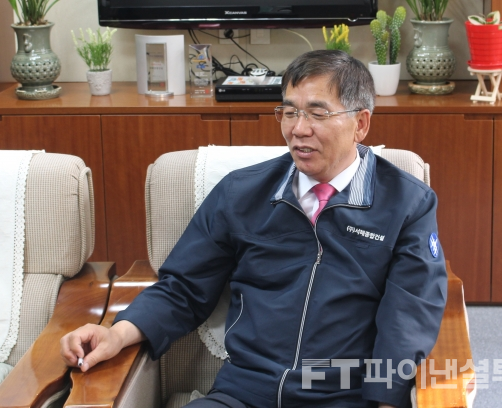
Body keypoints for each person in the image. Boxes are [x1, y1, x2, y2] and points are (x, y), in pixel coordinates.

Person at [60, 50, 447, 408]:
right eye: (289, 112)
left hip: (342, 396)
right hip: (243, 393)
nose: (298, 129)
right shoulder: (241, 192)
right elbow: (184, 287)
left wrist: (385, 401)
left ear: (360, 123)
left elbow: (407, 318)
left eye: (317, 113)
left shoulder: (407, 203)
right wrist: (117, 333)